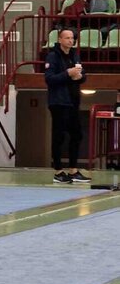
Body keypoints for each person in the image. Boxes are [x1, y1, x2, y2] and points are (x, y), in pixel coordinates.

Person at [44, 27, 90, 184]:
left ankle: (73, 170)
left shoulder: (74, 55)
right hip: (58, 102)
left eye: (72, 38)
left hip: (73, 101)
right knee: (59, 136)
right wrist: (68, 74)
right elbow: (49, 79)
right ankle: (58, 171)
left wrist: (80, 77)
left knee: (77, 134)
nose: (70, 40)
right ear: (60, 39)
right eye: (67, 38)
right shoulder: (53, 56)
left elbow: (83, 74)